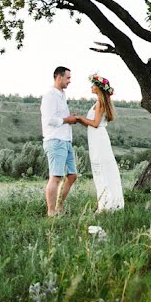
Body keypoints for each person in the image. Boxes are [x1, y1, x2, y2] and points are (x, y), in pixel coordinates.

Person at [77, 73, 125, 212]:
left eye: (93, 84)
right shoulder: (98, 103)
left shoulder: (100, 103)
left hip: (98, 137)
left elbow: (96, 123)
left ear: (98, 87)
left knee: (102, 169)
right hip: (96, 137)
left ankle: (107, 204)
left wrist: (80, 118)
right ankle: (105, 201)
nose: (91, 87)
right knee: (101, 169)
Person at [41, 66, 79, 217]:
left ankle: (59, 206)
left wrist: (69, 118)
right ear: (59, 77)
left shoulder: (62, 95)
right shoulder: (50, 95)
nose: (70, 81)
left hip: (66, 140)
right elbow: (49, 120)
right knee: (55, 177)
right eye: (68, 78)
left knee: (72, 175)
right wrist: (66, 119)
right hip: (55, 140)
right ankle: (51, 213)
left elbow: (61, 118)